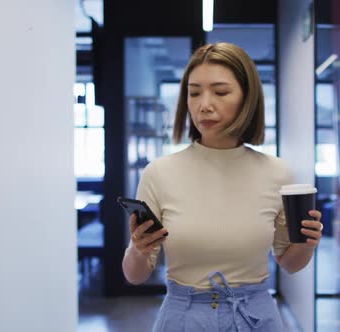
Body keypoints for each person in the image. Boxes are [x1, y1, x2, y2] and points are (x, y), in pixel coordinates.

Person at [122, 42, 323, 332]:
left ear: (247, 97)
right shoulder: (159, 173)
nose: (204, 105)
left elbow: (290, 264)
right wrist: (138, 252)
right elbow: (135, 275)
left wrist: (307, 242)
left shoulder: (277, 173)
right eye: (194, 93)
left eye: (220, 92)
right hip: (182, 318)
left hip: (255, 317)